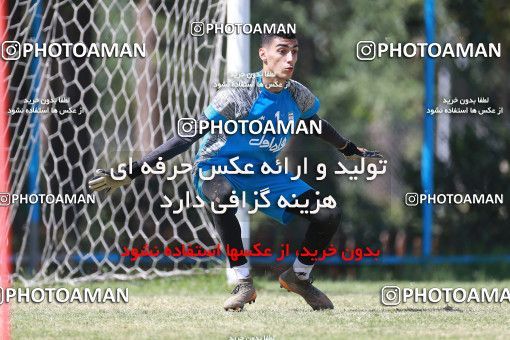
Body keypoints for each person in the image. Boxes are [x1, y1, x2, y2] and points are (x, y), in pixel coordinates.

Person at [88, 31, 381, 311]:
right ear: (263, 55)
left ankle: (299, 277)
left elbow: (315, 123)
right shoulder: (238, 94)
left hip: (262, 172)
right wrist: (134, 170)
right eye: (282, 51)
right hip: (216, 166)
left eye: (295, 52)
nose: (290, 59)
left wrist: (347, 148)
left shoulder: (298, 95)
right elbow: (187, 137)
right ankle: (243, 282)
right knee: (224, 196)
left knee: (327, 213)